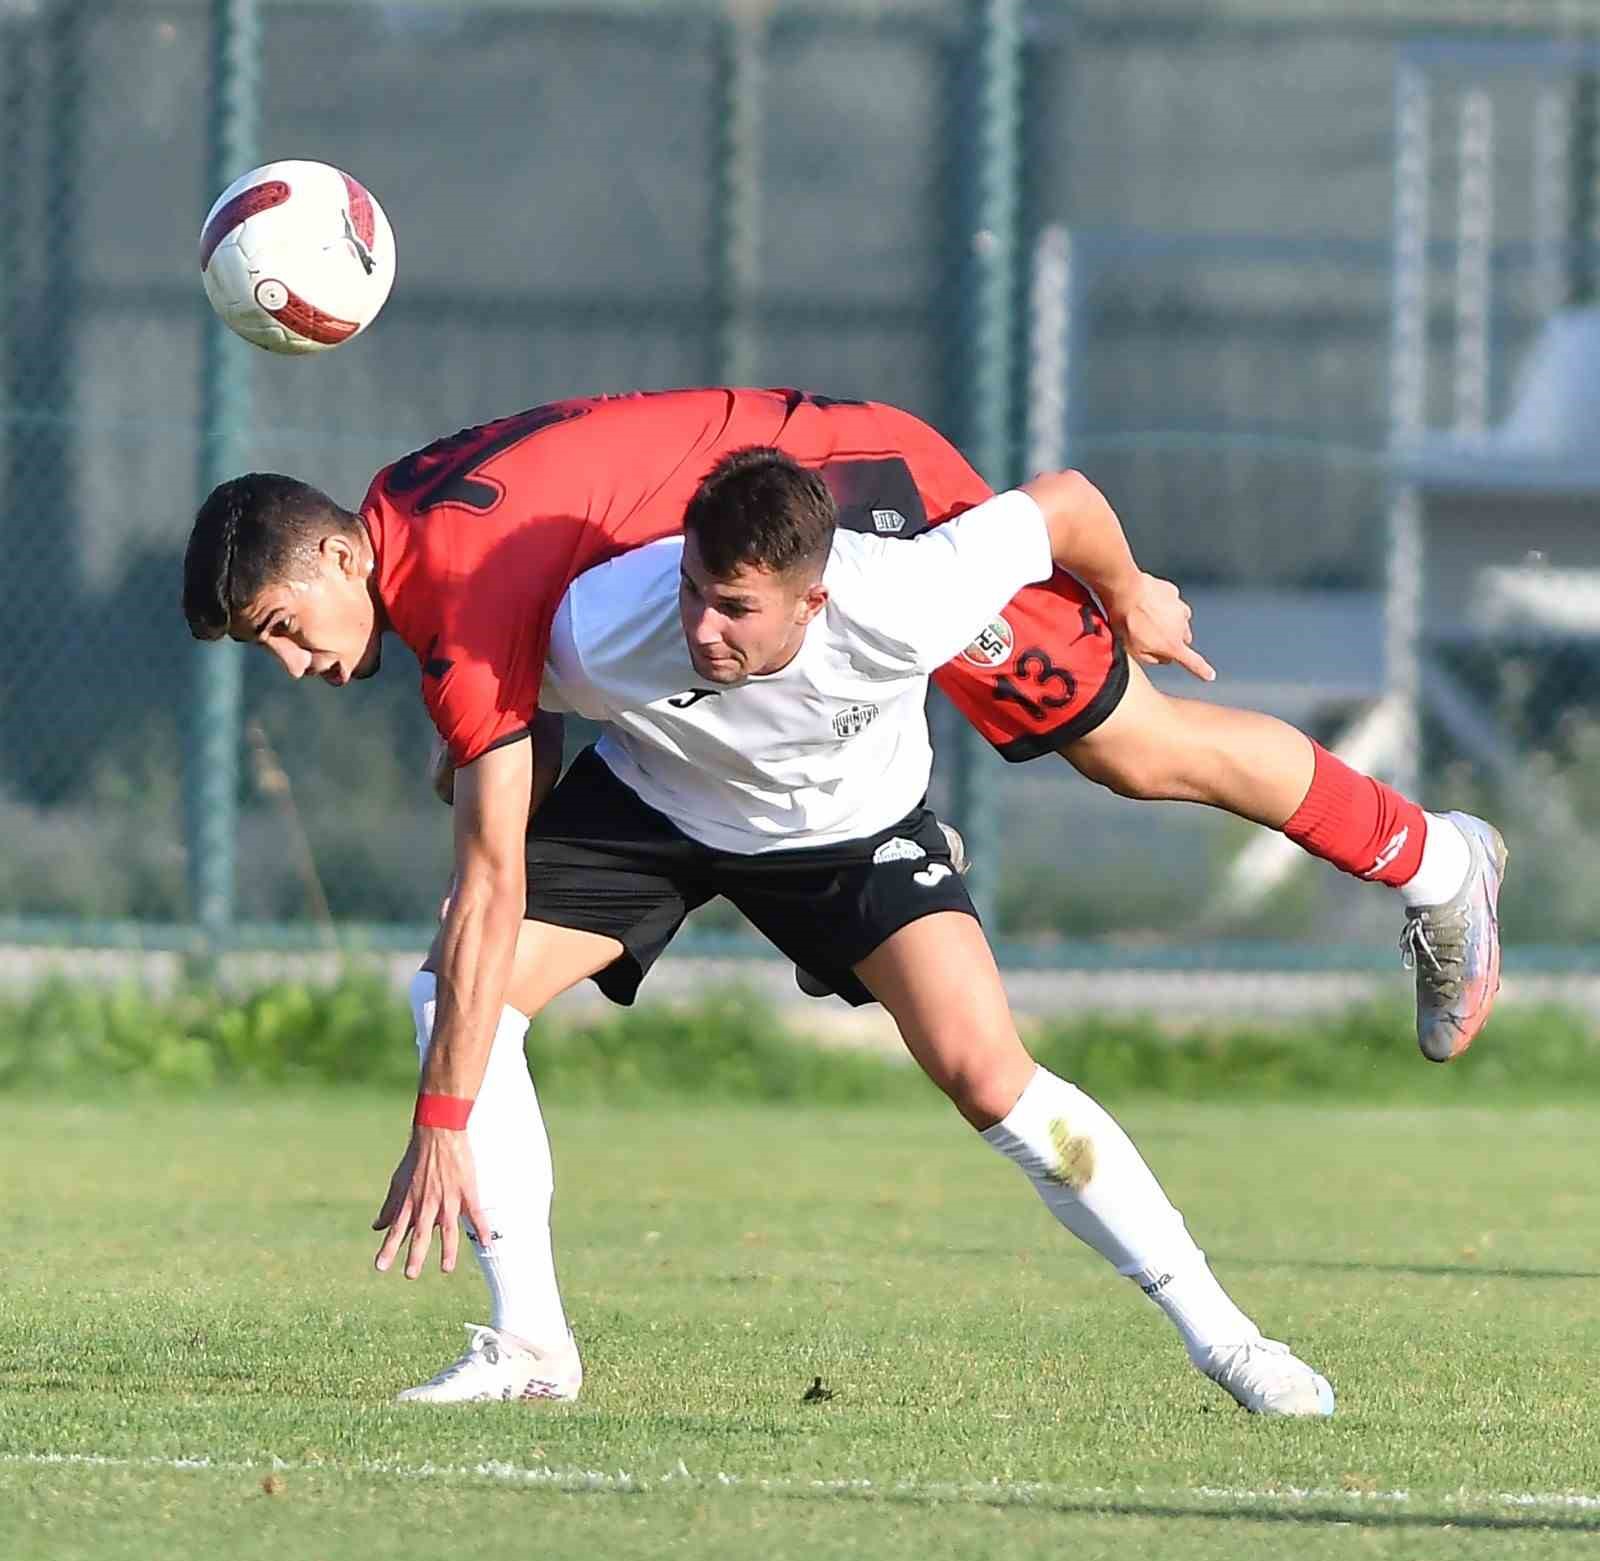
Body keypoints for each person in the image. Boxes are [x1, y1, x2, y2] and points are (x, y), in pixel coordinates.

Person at [380, 448, 1338, 1415]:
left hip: (852, 830)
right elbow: (507, 704)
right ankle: (532, 1348)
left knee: (990, 1080)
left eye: (738, 609)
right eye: (694, 591)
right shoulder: (604, 623)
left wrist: (1130, 594)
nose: (704, 628)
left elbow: (1069, 503)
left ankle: (1229, 1340)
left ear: (814, 600)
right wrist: (482, 761)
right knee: (459, 993)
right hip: (654, 806)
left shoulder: (912, 595)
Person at [181, 387, 1506, 1077]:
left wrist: (1122, 585)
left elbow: (492, 834)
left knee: (1136, 747)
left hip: (865, 500)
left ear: (344, 555)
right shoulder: (410, 532)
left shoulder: (452, 588)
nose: (292, 664)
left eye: (284, 627)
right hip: (772, 523)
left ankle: (1442, 867)